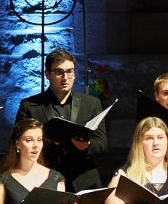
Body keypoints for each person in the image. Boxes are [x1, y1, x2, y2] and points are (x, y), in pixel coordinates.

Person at [17, 48, 110, 191]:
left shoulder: (91, 103)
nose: (65, 77)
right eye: (59, 72)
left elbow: (102, 145)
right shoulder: (30, 106)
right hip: (44, 181)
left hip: (83, 181)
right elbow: (18, 144)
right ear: (47, 74)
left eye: (70, 71)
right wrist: (50, 143)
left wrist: (86, 146)